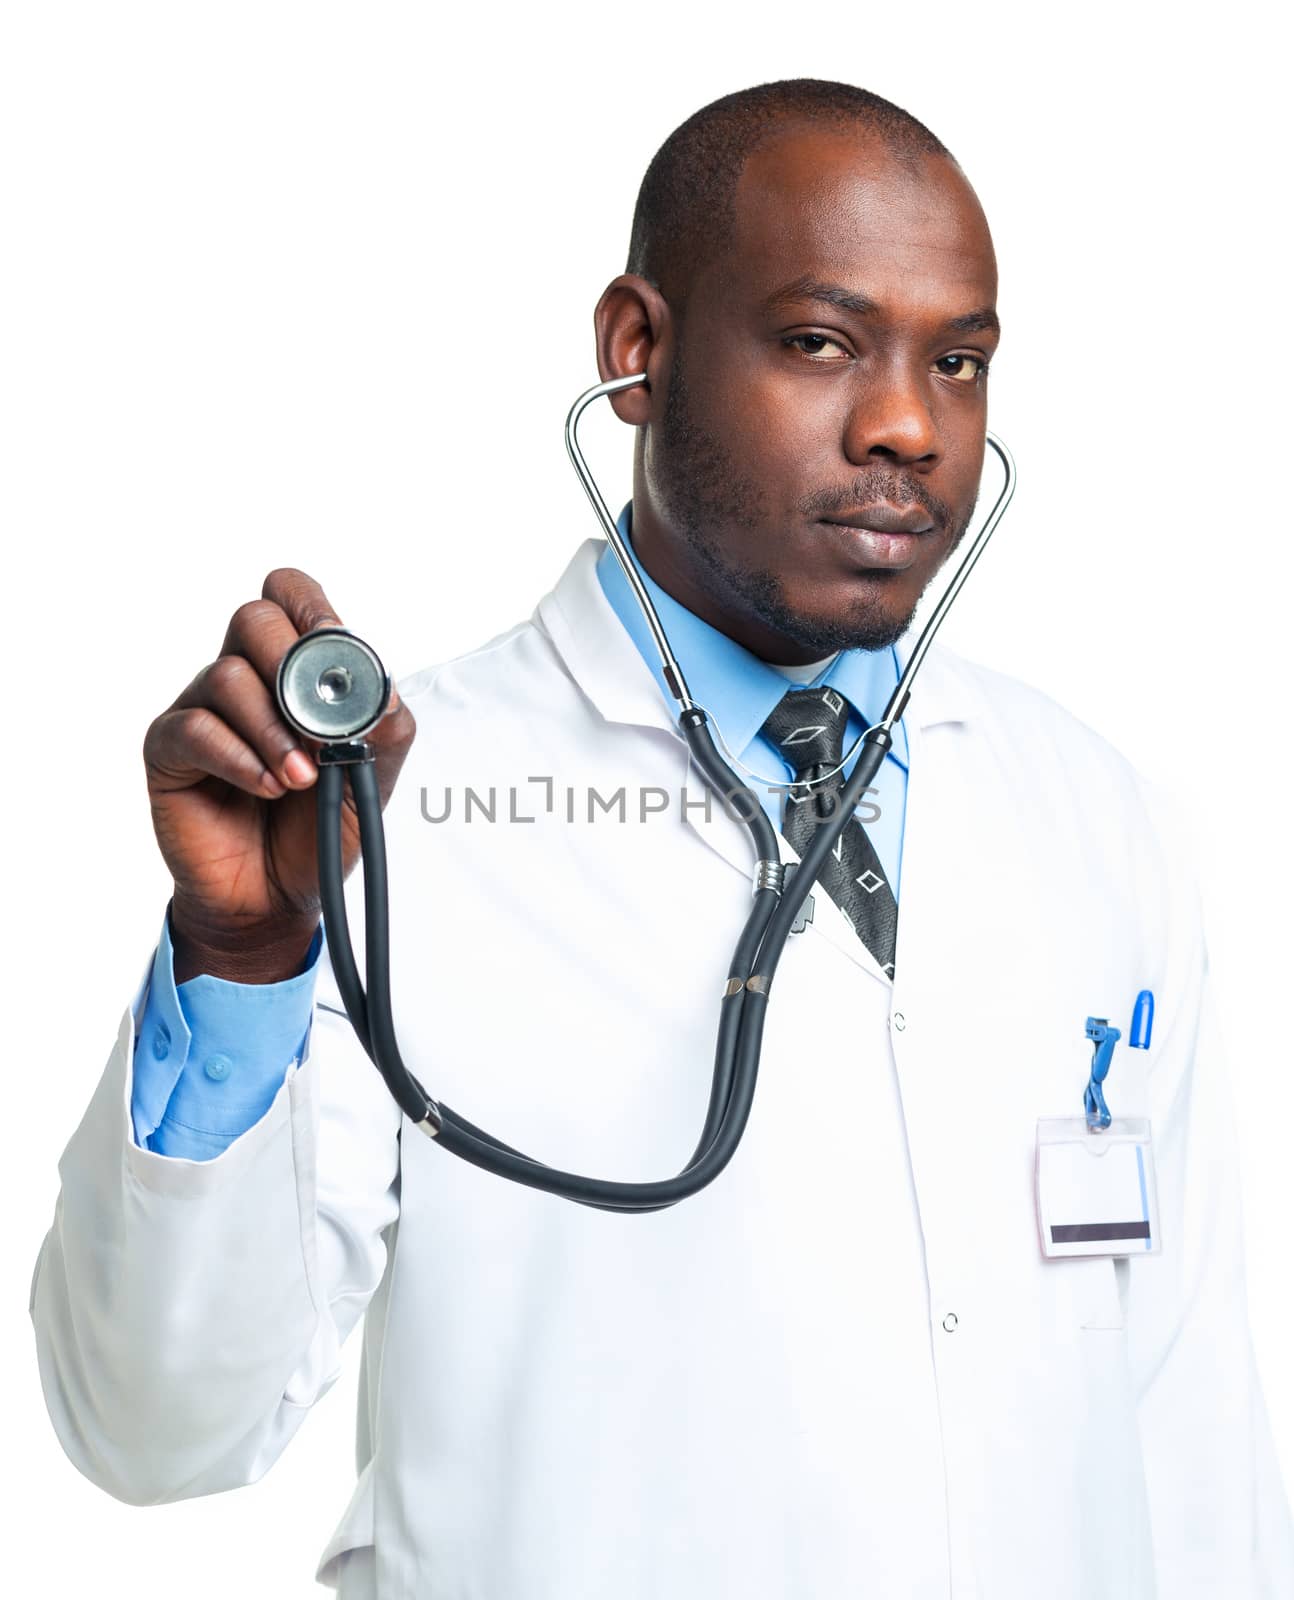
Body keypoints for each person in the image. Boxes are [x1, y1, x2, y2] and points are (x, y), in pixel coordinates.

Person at [30, 78, 1294, 1599]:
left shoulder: (1095, 815)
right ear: (637, 350)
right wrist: (248, 955)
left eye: (956, 363)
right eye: (821, 343)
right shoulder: (384, 816)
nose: (907, 423)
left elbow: (1189, 1443)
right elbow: (156, 1431)